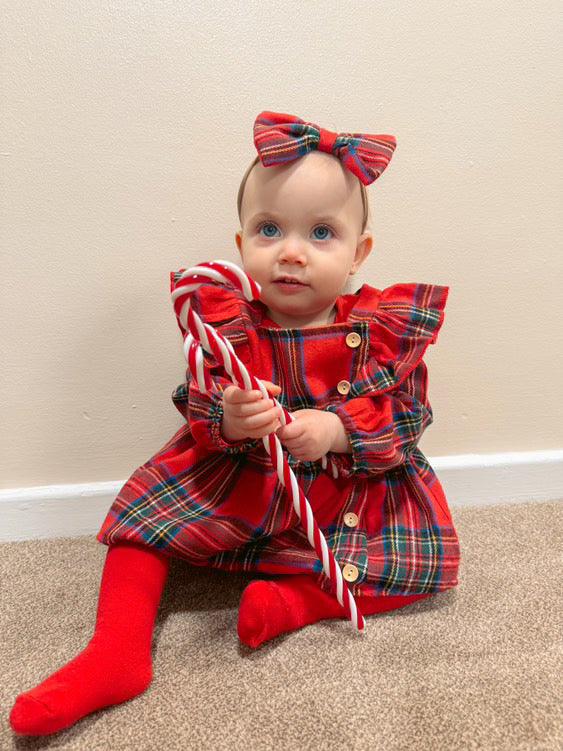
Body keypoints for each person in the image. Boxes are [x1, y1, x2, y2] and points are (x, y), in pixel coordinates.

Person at [10, 111, 460, 736]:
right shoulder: (228, 321)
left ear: (359, 253)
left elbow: (409, 417)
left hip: (346, 490)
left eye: (322, 233)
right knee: (141, 526)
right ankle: (116, 652)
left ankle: (297, 603)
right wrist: (228, 416)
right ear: (243, 244)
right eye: (269, 229)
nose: (292, 252)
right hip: (242, 478)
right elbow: (198, 399)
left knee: (417, 567)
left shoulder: (381, 330)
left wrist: (335, 431)